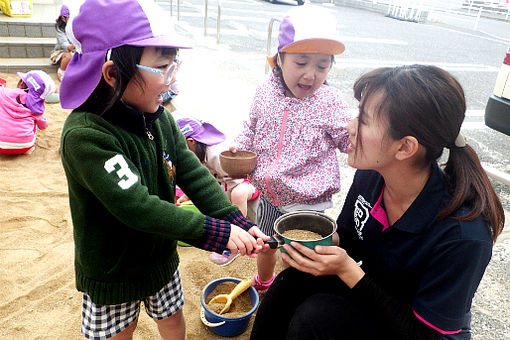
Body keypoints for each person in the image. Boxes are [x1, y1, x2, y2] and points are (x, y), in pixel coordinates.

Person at [58, 1, 267, 339]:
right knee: (120, 330)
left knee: (171, 319)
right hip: (114, 269)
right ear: (113, 74)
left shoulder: (159, 117)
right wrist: (215, 232)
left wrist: (233, 218)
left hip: (159, 258)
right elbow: (138, 207)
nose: (171, 81)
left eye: (174, 66)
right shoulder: (87, 136)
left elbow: (192, 173)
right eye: (163, 68)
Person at [250, 65, 505, 340]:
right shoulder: (372, 177)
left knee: (316, 318)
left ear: (405, 147)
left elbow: (423, 334)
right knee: (293, 281)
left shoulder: (462, 237)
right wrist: (317, 247)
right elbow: (348, 238)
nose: (348, 127)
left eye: (364, 120)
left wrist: (346, 269)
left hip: (416, 329)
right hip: (375, 290)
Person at [232, 5, 350, 291]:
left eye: (322, 65)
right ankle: (263, 281)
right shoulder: (265, 91)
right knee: (265, 243)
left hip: (307, 202)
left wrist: (370, 134)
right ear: (279, 59)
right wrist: (241, 147)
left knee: (297, 255)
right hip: (270, 196)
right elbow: (251, 125)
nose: (311, 75)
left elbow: (350, 141)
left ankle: (291, 292)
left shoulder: (330, 102)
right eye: (301, 62)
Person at [176, 116, 261, 266]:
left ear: (191, 142)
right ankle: (229, 238)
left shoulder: (215, 154)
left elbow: (239, 178)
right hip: (226, 184)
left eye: (183, 148)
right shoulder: (199, 155)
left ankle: (239, 237)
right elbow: (199, 179)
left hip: (246, 183)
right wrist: (184, 196)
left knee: (237, 193)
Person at [0, 70, 55, 155]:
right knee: (34, 124)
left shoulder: (3, 92)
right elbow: (43, 126)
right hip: (24, 145)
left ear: (22, 83)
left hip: (1, 145)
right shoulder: (35, 107)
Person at [50, 5, 75, 81]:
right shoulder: (60, 28)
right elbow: (63, 43)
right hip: (62, 51)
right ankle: (62, 71)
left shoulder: (76, 25)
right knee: (68, 56)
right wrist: (71, 46)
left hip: (75, 50)